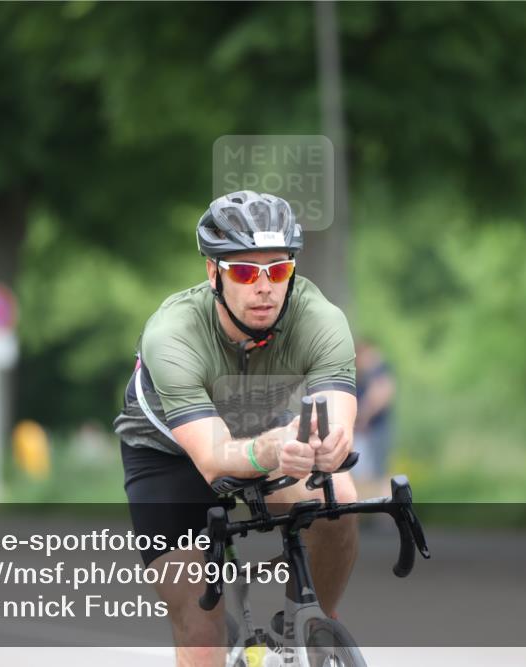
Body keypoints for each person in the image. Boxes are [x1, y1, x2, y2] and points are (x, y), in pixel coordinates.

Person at [113, 191, 359, 666]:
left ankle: (306, 630)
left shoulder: (320, 318)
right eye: (245, 272)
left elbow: (334, 411)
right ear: (213, 273)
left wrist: (329, 442)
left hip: (262, 431)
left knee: (339, 499)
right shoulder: (173, 334)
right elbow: (213, 457)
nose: (263, 287)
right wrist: (271, 450)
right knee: (201, 632)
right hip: (169, 457)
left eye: (278, 270)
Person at [352, 339, 396, 500]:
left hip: (375, 429)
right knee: (366, 473)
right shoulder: (367, 372)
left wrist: (363, 416)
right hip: (368, 430)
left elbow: (381, 394)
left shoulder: (378, 369)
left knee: (379, 473)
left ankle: (384, 514)